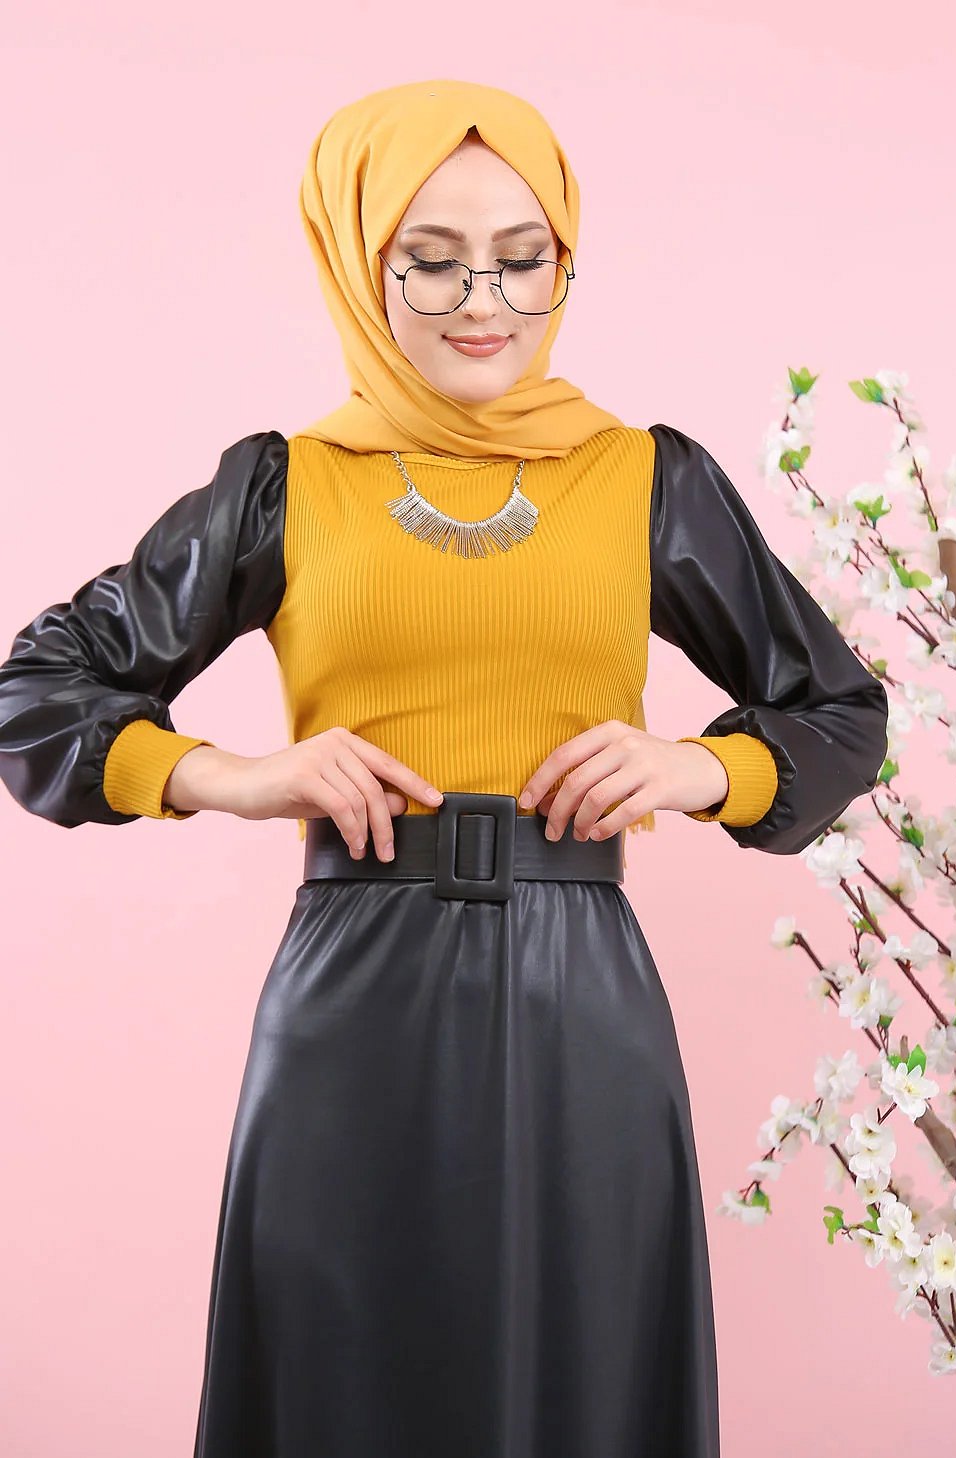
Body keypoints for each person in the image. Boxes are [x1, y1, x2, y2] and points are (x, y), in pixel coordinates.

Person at [0, 79, 888, 1458]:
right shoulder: (285, 485)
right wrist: (230, 774)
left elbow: (840, 709)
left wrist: (698, 770)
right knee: (344, 1379)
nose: (486, 301)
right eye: (433, 259)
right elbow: (38, 693)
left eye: (524, 258)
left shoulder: (647, 479)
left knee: (585, 1374)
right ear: (362, 263)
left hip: (584, 995)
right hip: (353, 990)